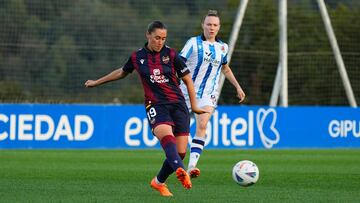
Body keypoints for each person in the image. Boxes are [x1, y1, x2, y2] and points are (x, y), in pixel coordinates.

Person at [85, 21, 208, 197]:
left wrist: (194, 105)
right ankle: (181, 171)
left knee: (180, 152)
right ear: (148, 35)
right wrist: (97, 82)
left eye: (163, 38)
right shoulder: (137, 57)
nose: (160, 42)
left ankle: (158, 182)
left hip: (178, 104)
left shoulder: (171, 54)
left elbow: (188, 80)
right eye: (157, 37)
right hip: (156, 104)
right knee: (167, 137)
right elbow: (122, 72)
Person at [179, 10, 246, 178]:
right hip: (185, 92)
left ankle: (191, 167)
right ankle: (176, 160)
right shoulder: (193, 43)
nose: (211, 28)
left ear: (219, 27)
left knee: (202, 124)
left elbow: (225, 68)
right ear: (203, 25)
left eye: (215, 25)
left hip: (208, 94)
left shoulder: (223, 47)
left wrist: (238, 86)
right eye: (209, 24)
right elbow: (178, 62)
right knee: (179, 131)